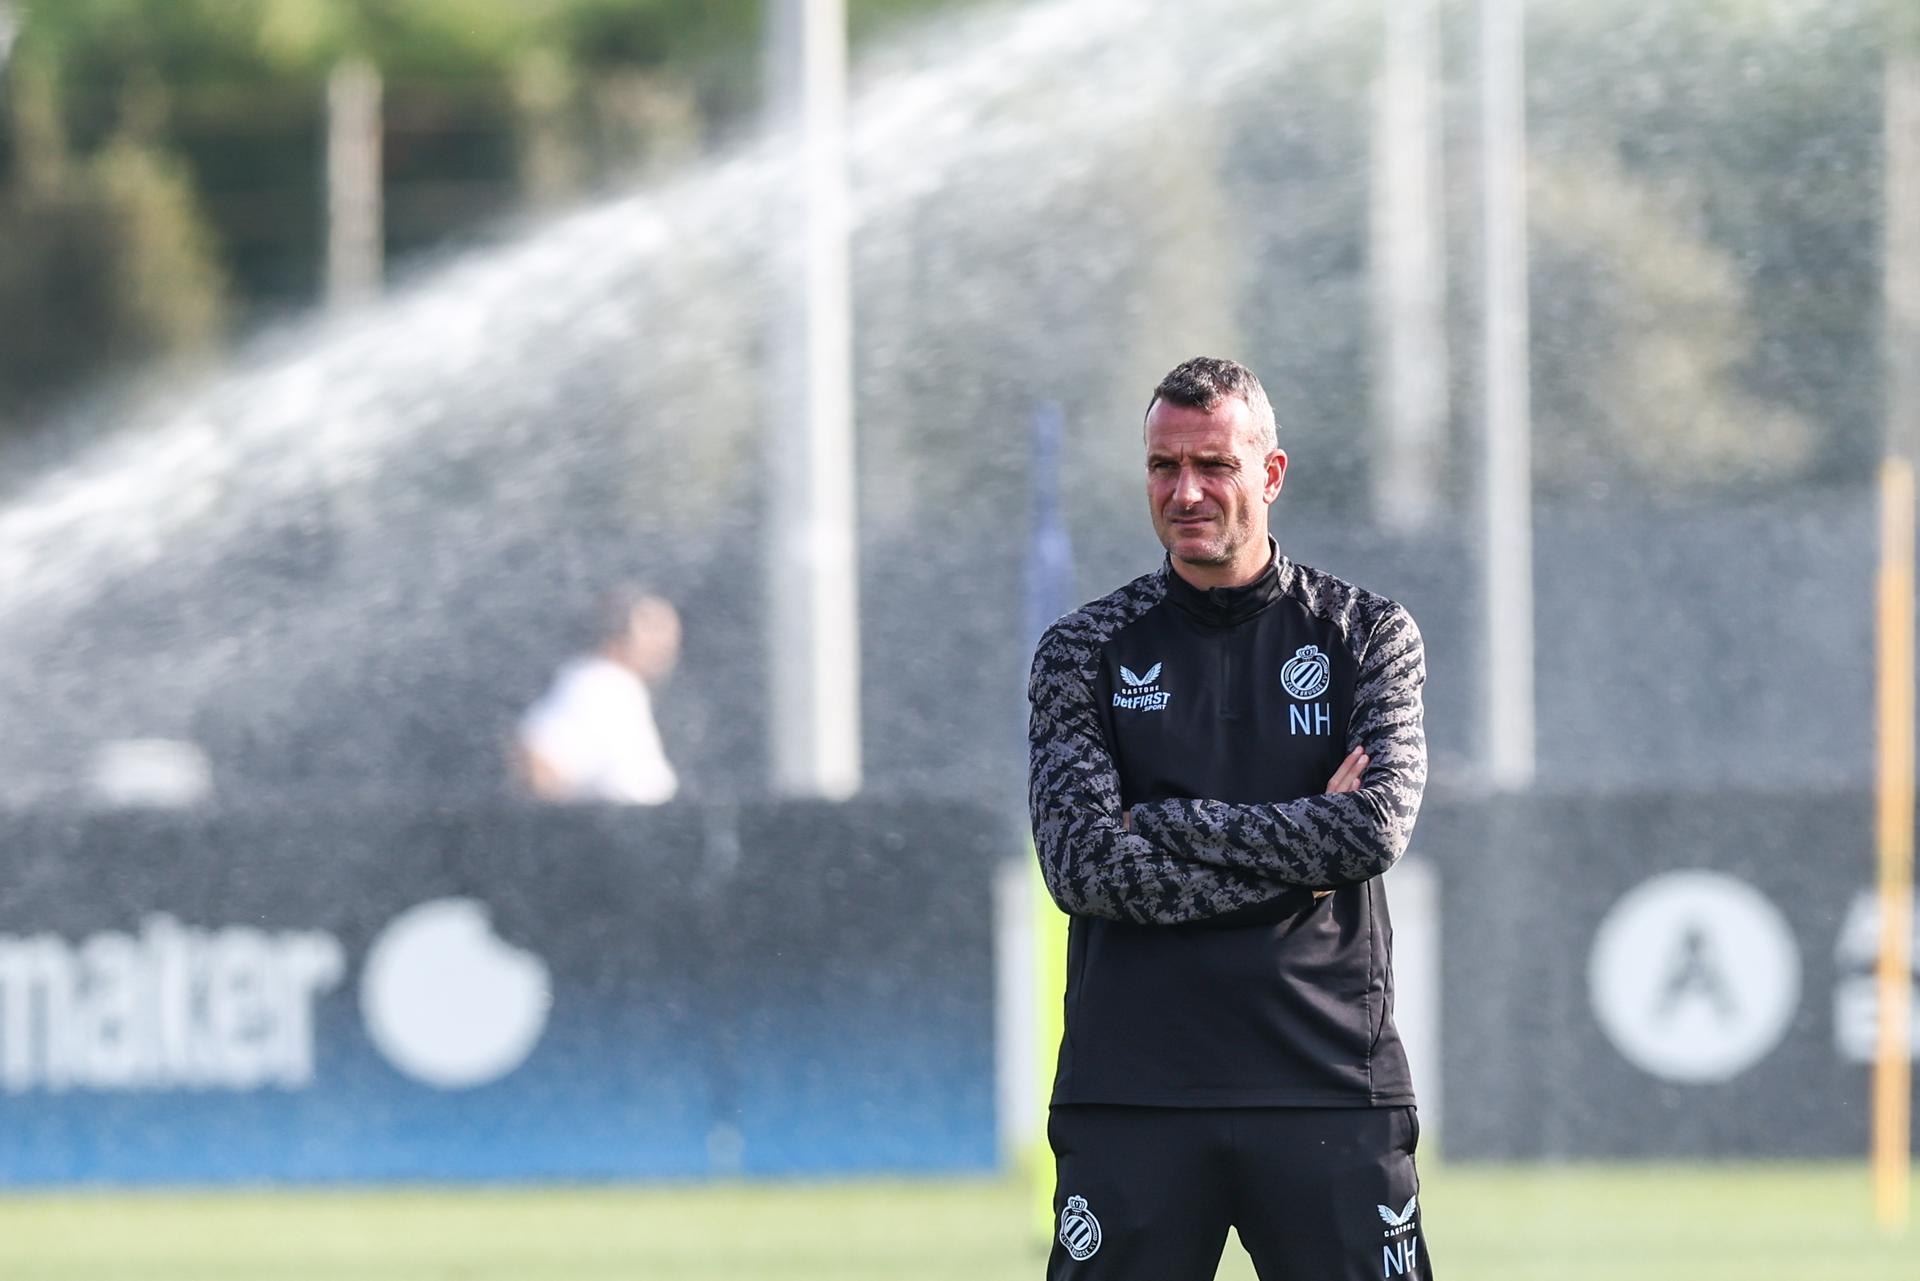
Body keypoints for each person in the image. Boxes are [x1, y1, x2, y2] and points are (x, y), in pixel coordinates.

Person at [1026, 357, 1431, 1279]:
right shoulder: (1083, 649)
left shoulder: (1367, 633)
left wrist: (1162, 822)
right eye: (1165, 467)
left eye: (1214, 465)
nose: (1188, 491)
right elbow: (1085, 869)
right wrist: (1301, 860)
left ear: (1271, 474)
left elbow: (1370, 832)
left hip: (1329, 1083)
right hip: (1134, 1093)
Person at [518, 590, 681, 805]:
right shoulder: (598, 684)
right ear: (616, 634)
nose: (667, 642)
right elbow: (539, 759)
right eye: (654, 628)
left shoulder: (622, 688)